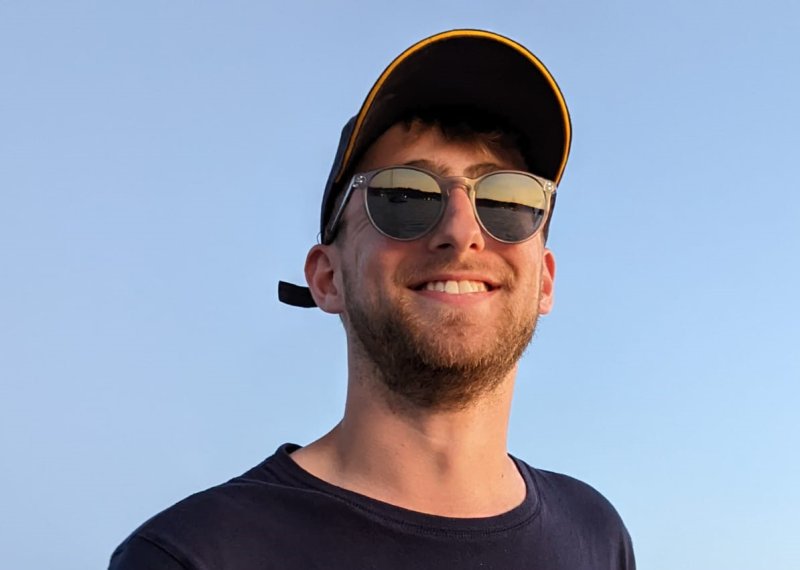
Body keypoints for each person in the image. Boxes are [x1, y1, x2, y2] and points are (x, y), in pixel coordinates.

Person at [109, 29, 635, 569]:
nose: (461, 229)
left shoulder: (595, 535)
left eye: (506, 199)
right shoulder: (192, 555)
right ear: (327, 277)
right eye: (403, 195)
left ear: (544, 281)